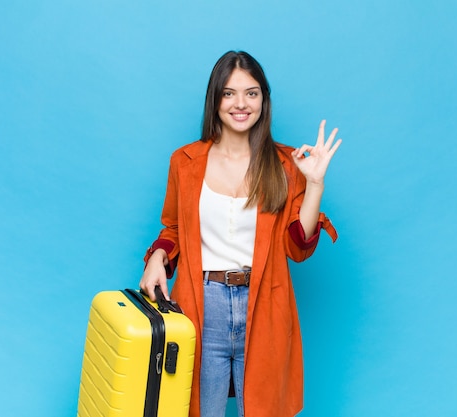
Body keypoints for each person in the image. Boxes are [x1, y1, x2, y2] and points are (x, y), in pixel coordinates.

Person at [139, 50, 341, 417]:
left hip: (263, 303)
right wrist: (157, 257)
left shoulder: (286, 163)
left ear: (264, 100)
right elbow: (174, 228)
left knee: (263, 407)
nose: (240, 103)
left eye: (252, 93)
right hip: (202, 305)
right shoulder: (184, 162)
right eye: (229, 93)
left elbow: (296, 247)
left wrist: (314, 184)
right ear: (214, 99)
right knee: (198, 408)